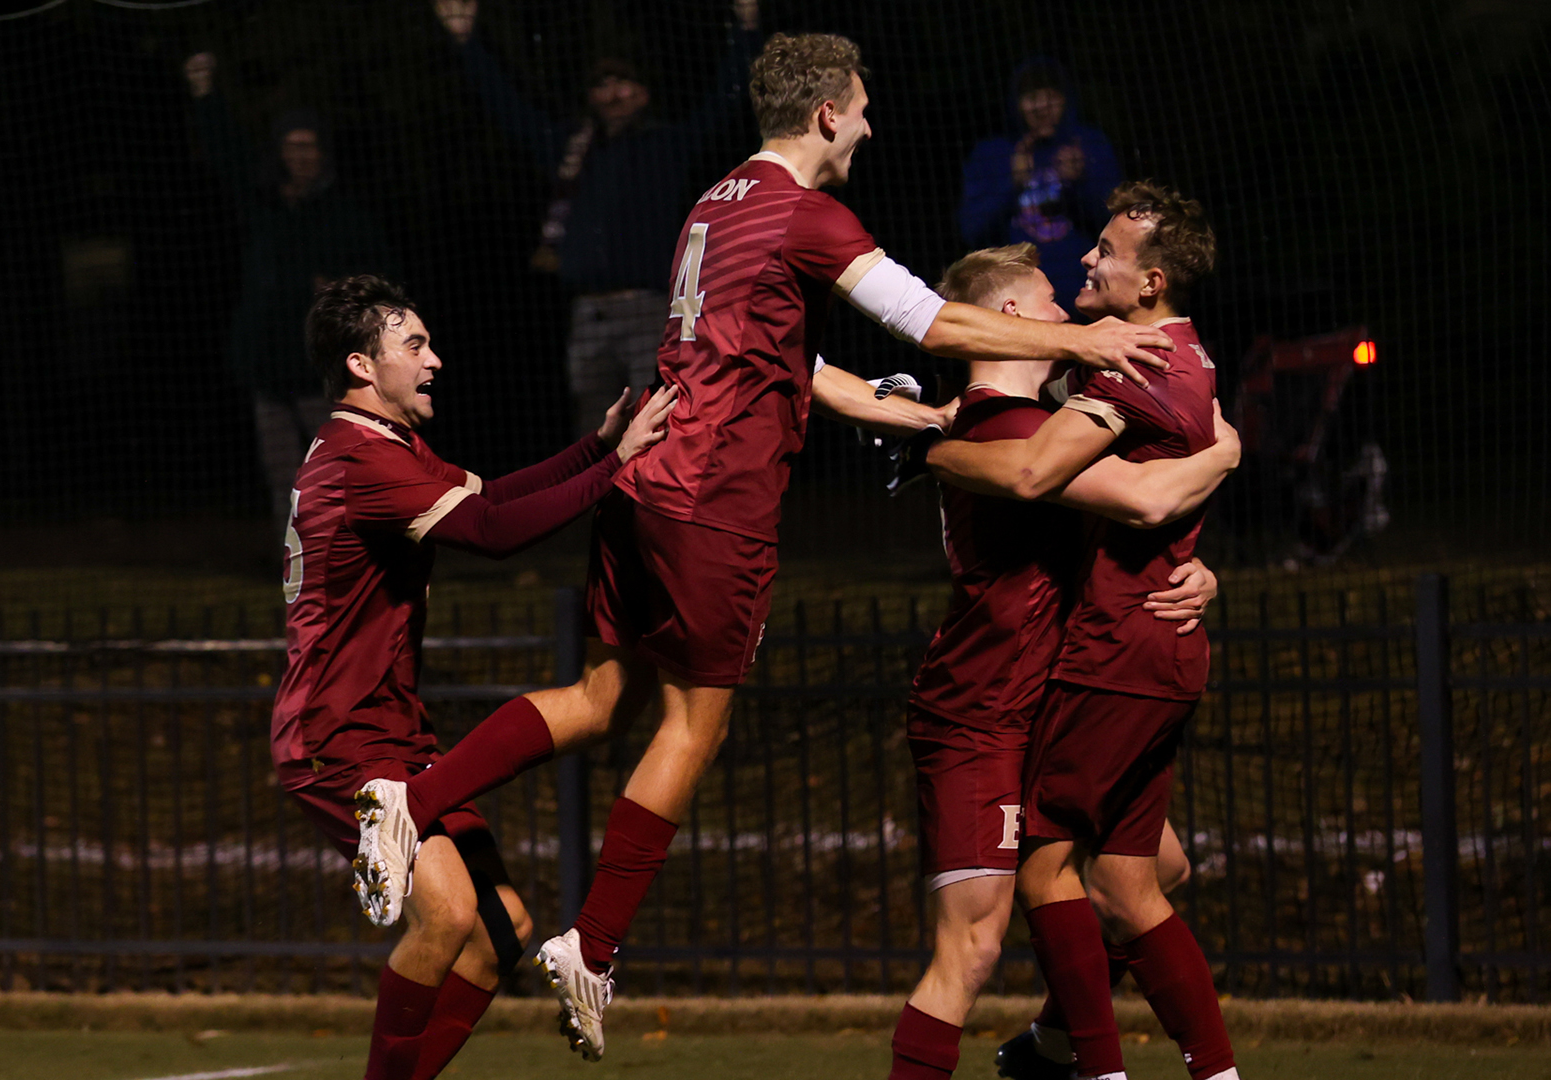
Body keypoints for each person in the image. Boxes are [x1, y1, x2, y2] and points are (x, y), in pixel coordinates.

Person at [348, 32, 1179, 1063]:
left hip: (646, 479)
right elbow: (929, 324)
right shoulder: (809, 212)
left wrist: (902, 419)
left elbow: (786, 353)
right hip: (716, 503)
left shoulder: (715, 203)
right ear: (827, 113)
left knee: (603, 698)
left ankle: (409, 800)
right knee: (693, 727)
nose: (871, 127)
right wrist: (1084, 342)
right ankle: (592, 948)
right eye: (864, 109)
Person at [272, 275, 674, 1080]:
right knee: (450, 916)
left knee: (501, 935)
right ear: (361, 365)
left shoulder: (384, 448)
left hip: (392, 726)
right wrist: (614, 469)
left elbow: (487, 495)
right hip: (337, 733)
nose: (435, 360)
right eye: (414, 346)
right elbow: (491, 532)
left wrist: (597, 449)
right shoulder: (361, 462)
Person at [885, 244, 1241, 1080]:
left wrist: (1202, 572)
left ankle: (1053, 1044)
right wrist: (1225, 454)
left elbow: (1132, 524)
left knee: (1156, 870)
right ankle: (1088, 1061)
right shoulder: (1007, 428)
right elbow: (1147, 496)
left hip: (1043, 699)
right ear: (1011, 319)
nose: (1068, 315)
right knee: (971, 948)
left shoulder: (1020, 420)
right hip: (980, 715)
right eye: (1050, 301)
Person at [435, 0, 762, 441]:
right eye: (603, 84)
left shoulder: (666, 144)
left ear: (645, 91)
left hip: (650, 309)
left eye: (624, 82)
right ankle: (600, 506)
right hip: (587, 312)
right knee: (595, 429)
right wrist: (465, 41)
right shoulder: (574, 150)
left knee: (658, 417)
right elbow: (507, 109)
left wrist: (746, 27)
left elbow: (727, 97)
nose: (614, 92)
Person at [183, 51, 396, 522]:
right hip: (268, 370)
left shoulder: (344, 215)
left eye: (309, 146)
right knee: (284, 479)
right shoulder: (266, 206)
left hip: (320, 372)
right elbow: (227, 153)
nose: (301, 155)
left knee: (338, 475)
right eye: (292, 146)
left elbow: (380, 281)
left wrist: (344, 290)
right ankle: (297, 572)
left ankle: (352, 561)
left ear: (323, 152)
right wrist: (205, 93)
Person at [959, 59, 1122, 315]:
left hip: (1089, 294)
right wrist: (1012, 183)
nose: (1042, 105)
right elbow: (971, 231)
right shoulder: (993, 153)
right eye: (1031, 96)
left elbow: (1115, 224)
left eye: (1051, 95)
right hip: (1020, 300)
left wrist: (1080, 181)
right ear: (1017, 103)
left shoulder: (1088, 144)